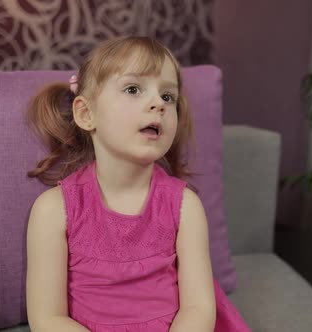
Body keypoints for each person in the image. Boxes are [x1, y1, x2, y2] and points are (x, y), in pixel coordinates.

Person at [24, 36, 251, 332]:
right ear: (86, 113)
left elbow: (197, 308)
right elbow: (47, 318)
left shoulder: (185, 207)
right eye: (133, 89)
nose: (158, 103)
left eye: (168, 97)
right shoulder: (53, 210)